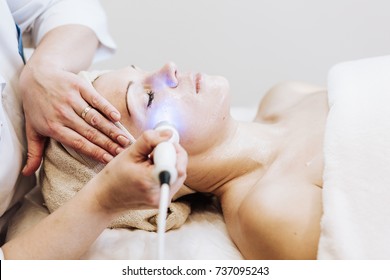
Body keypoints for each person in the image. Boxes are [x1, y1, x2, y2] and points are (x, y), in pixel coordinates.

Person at [41, 62, 326, 260]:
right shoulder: (271, 214)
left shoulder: (284, 94)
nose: (169, 67)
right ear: (151, 161)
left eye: (142, 69)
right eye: (149, 96)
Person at [0, 0, 188, 259]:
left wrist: (43, 68)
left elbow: (66, 5)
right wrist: (103, 201)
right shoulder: (256, 204)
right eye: (149, 98)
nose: (170, 66)